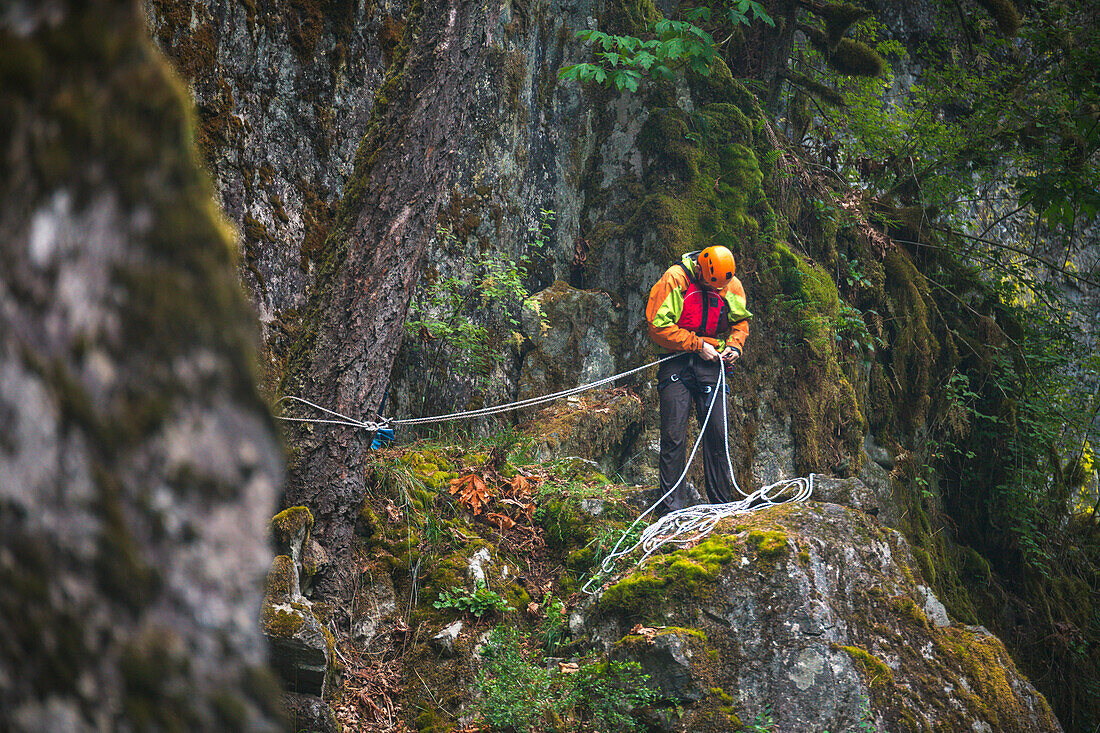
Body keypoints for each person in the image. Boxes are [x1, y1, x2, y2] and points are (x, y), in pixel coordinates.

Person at [645, 245, 752, 513]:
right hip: (676, 361)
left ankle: (722, 506)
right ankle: (671, 510)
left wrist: (735, 347)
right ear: (700, 269)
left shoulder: (730, 284)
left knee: (718, 433)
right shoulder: (675, 278)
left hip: (713, 361)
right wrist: (695, 344)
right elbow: (657, 327)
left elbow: (740, 323)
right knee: (673, 435)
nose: (713, 288)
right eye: (708, 282)